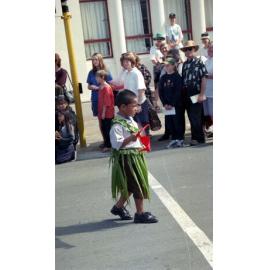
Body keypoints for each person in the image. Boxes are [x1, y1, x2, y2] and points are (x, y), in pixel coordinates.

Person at [109, 90, 158, 223]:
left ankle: (118, 207)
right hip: (127, 159)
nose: (137, 108)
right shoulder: (117, 125)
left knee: (130, 185)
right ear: (123, 107)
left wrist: (142, 142)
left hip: (135, 155)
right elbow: (116, 144)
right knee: (138, 184)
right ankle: (140, 213)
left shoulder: (130, 119)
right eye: (134, 106)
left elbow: (137, 136)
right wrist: (131, 138)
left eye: (137, 105)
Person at [180, 40, 208, 146]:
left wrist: (202, 94)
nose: (187, 51)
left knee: (196, 115)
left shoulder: (199, 62)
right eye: (186, 50)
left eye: (190, 49)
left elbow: (204, 78)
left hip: (196, 91)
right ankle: (196, 137)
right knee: (191, 116)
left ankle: (198, 138)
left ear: (194, 50)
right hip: (187, 93)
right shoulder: (185, 64)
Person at [86, 53, 113, 147]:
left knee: (107, 122)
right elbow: (88, 86)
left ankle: (109, 142)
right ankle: (105, 141)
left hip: (105, 101)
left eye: (96, 59)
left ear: (100, 60)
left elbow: (110, 84)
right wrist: (92, 87)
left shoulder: (106, 71)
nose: (94, 62)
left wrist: (101, 88)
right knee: (100, 121)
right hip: (95, 99)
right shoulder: (91, 72)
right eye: (93, 60)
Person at [120, 52, 150, 134]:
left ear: (132, 62)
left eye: (127, 61)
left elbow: (141, 90)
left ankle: (145, 145)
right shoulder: (126, 73)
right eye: (123, 62)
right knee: (134, 127)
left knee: (142, 126)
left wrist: (139, 104)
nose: (125, 63)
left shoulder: (136, 73)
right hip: (130, 104)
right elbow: (119, 82)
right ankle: (139, 145)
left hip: (139, 103)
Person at [158, 57, 184, 148]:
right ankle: (174, 139)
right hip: (167, 105)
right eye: (165, 65)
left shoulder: (177, 77)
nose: (166, 67)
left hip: (176, 105)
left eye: (168, 65)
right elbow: (160, 91)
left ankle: (180, 139)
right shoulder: (163, 78)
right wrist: (165, 103)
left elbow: (178, 92)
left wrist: (172, 104)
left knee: (178, 122)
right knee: (170, 123)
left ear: (173, 65)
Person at [96, 70, 115, 152]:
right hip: (102, 112)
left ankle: (109, 145)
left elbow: (106, 102)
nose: (96, 79)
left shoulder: (106, 88)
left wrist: (103, 113)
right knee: (104, 128)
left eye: (97, 77)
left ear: (102, 77)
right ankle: (106, 143)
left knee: (108, 129)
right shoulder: (101, 86)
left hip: (107, 113)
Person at [150, 33, 166, 106]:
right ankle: (156, 105)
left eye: (160, 40)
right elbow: (153, 60)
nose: (159, 41)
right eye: (158, 40)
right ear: (156, 40)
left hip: (166, 66)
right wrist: (159, 64)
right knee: (157, 86)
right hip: (158, 67)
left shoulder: (164, 47)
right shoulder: (153, 48)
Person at [203, 43, 213, 136]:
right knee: (209, 113)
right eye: (209, 48)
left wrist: (208, 76)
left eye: (212, 48)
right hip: (206, 91)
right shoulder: (207, 61)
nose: (210, 49)